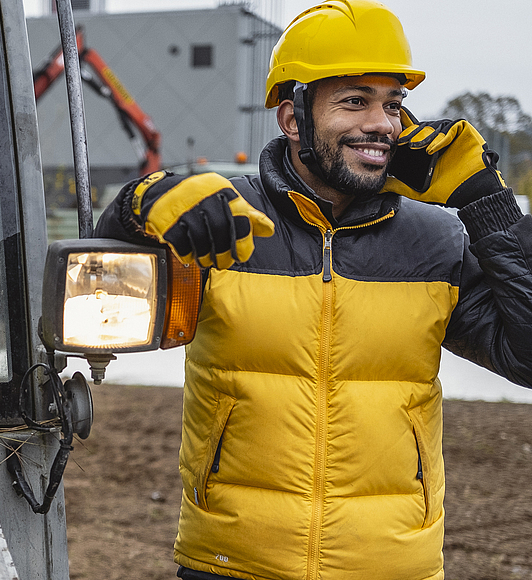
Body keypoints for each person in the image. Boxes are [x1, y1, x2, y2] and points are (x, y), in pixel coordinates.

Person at [92, 1, 532, 579]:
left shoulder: (438, 241)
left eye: (392, 104)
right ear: (292, 116)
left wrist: (487, 204)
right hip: (231, 563)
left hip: (392, 566)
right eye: (355, 101)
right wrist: (133, 207)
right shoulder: (222, 219)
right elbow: (92, 297)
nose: (382, 124)